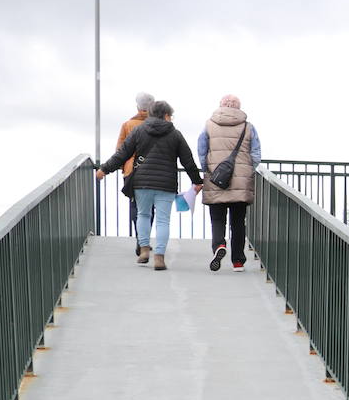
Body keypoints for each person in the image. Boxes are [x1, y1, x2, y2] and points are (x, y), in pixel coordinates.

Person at [98, 100, 203, 270]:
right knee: (163, 221)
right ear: (167, 115)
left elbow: (122, 154)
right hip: (166, 184)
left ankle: (144, 250)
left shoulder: (139, 130)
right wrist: (197, 182)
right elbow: (188, 161)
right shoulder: (175, 134)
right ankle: (159, 257)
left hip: (142, 182)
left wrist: (104, 169)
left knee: (143, 215)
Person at [197, 94, 260, 271]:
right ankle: (238, 261)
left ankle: (219, 246)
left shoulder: (208, 125)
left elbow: (202, 150)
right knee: (238, 222)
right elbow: (256, 154)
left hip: (216, 179)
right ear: (238, 107)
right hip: (241, 181)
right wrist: (246, 170)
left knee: (217, 219)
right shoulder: (248, 127)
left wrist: (208, 170)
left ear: (221, 106)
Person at [95, 91, 155, 253]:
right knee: (151, 207)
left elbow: (120, 150)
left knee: (135, 205)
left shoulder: (128, 125)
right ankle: (145, 238)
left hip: (132, 171)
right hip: (155, 170)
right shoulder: (158, 124)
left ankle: (140, 239)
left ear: (138, 106)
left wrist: (118, 168)